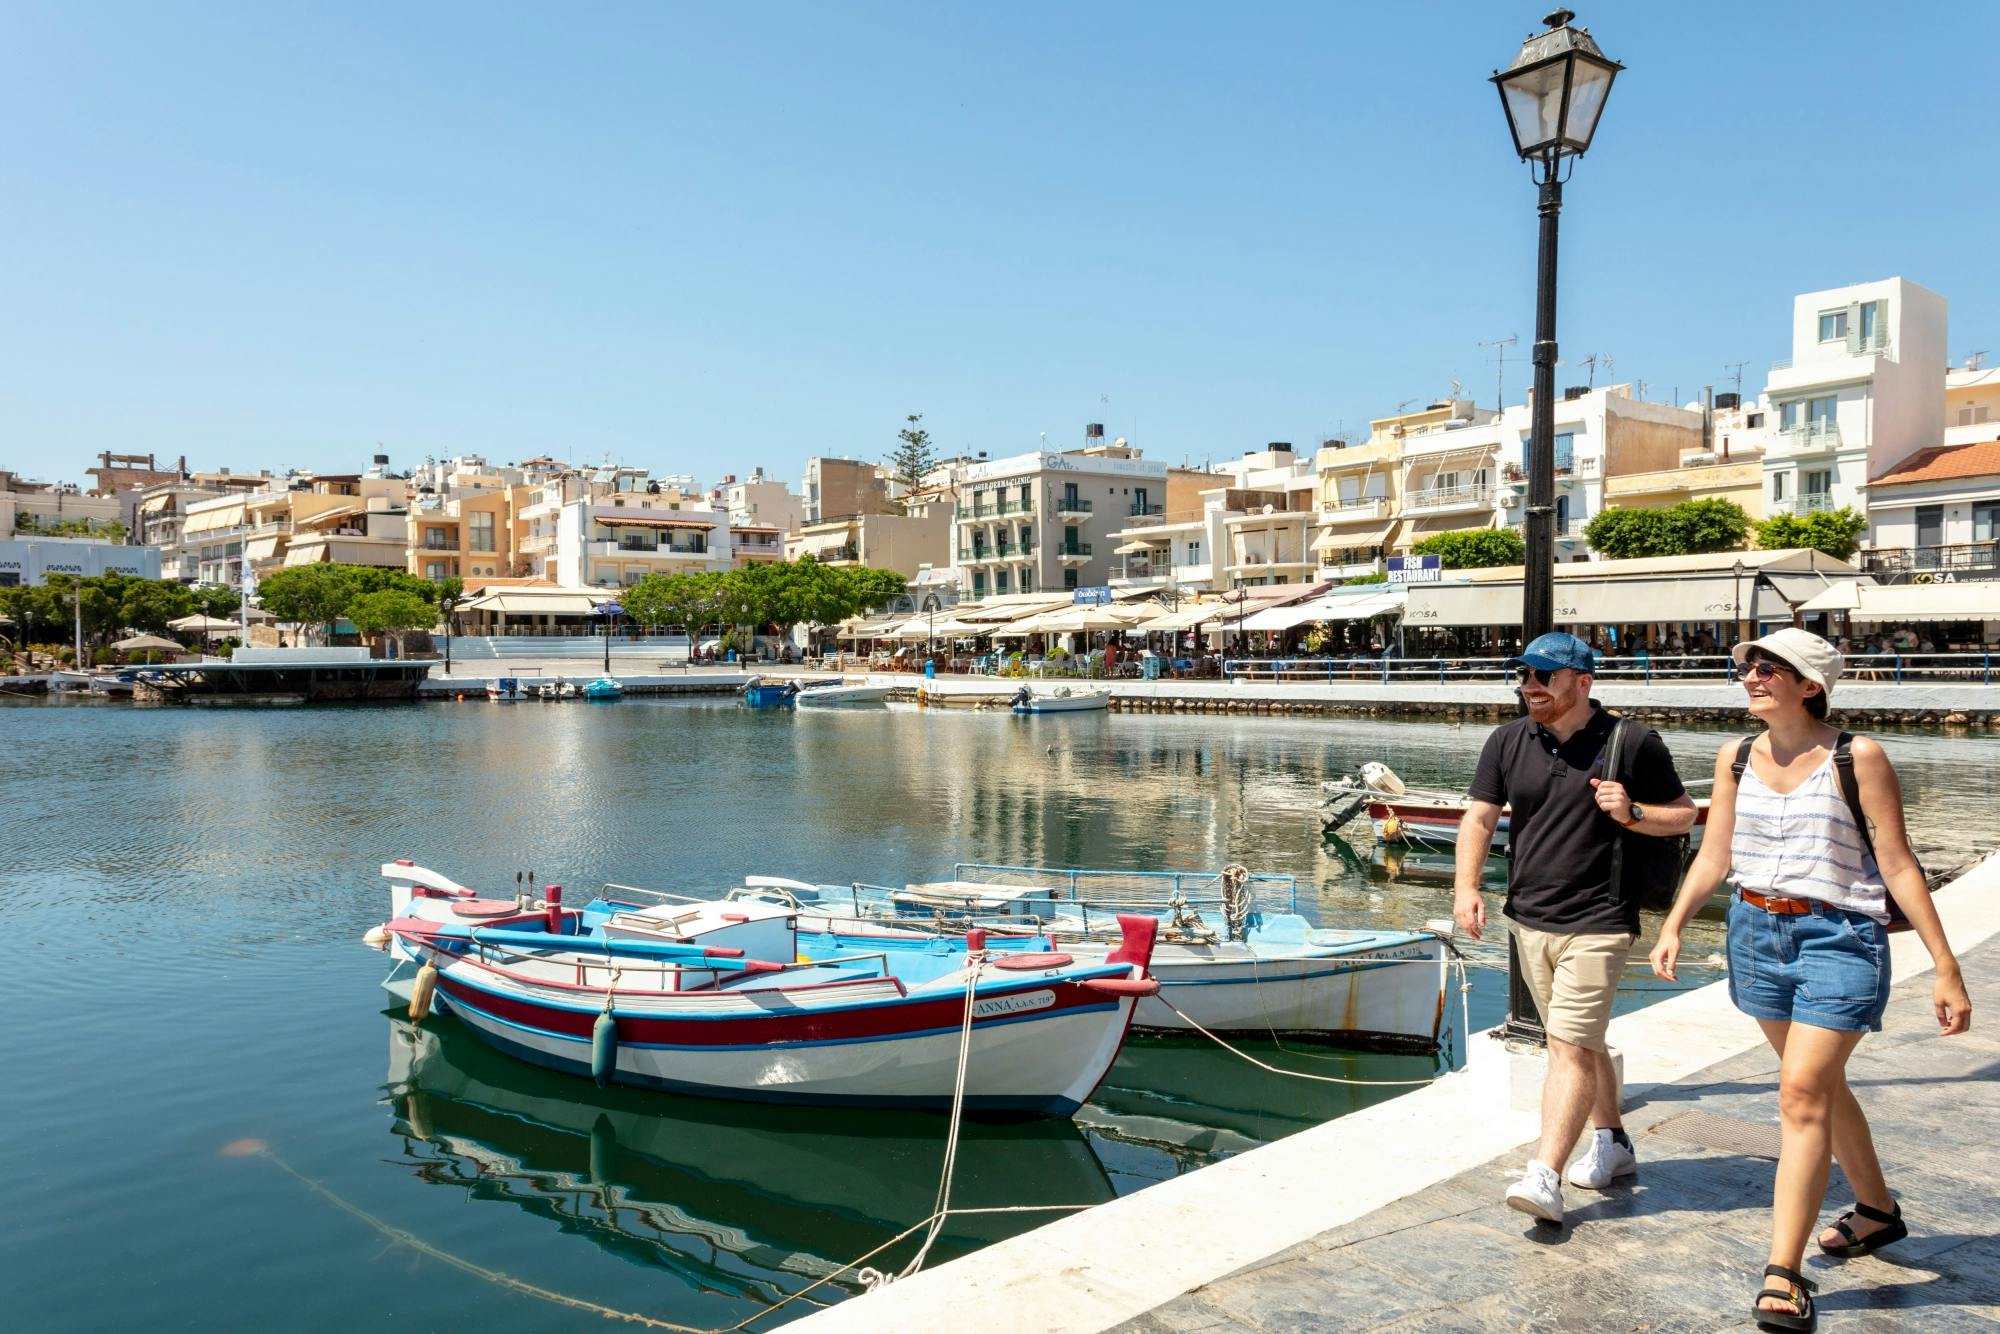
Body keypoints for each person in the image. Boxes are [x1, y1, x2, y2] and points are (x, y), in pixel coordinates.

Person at [1651, 628, 1970, 1329]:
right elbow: (1713, 854)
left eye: (1771, 669)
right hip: (1755, 934)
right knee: (1819, 1087)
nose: (1754, 677)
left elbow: (1897, 863)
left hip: (1839, 936)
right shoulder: (1735, 756)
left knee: (1798, 1094)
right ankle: (1878, 1211)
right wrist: (1675, 922)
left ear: (1809, 684)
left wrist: (1946, 966)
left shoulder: (1859, 757)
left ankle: (1783, 1272)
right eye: (1749, 668)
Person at [1454, 633, 1698, 1226]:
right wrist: (1466, 887)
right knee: (1581, 1042)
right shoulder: (1508, 740)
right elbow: (1481, 817)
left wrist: (1632, 811)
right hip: (1529, 917)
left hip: (1601, 919)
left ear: (1583, 681)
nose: (1528, 686)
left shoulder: (1631, 742)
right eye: (1523, 675)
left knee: (1564, 1046)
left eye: (1543, 676)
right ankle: (1613, 1142)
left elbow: (1686, 814)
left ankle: (1544, 1175)